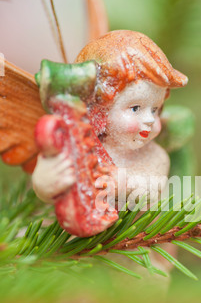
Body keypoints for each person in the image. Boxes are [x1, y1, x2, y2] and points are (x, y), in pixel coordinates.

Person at [32, 30, 188, 209]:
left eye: (155, 110)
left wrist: (125, 186)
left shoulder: (154, 156)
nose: (150, 119)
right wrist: (45, 181)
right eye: (135, 108)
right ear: (99, 108)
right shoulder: (78, 147)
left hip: (138, 233)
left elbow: (153, 186)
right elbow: (48, 191)